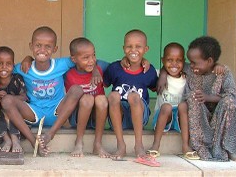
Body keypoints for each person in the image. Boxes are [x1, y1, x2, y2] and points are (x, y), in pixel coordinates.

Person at [1, 26, 91, 156]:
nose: (42, 50)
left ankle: (50, 134)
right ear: (31, 46)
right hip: (34, 112)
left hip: (58, 111)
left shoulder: (62, 64)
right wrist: (28, 58)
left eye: (48, 46)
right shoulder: (23, 67)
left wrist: (95, 72)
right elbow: (1, 69)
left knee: (77, 90)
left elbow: (86, 61)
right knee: (7, 101)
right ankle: (33, 142)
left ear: (55, 49)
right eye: (38, 45)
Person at [183, 36, 236, 161]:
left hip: (220, 117)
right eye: (190, 62)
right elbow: (172, 65)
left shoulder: (223, 72)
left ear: (209, 61)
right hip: (201, 118)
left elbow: (232, 96)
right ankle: (201, 147)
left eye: (194, 62)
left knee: (229, 102)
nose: (191, 65)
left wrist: (208, 97)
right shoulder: (190, 70)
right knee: (192, 98)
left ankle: (229, 149)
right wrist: (162, 75)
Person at [104, 29, 160, 167]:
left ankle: (138, 145)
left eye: (138, 46)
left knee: (134, 97)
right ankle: (120, 144)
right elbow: (103, 82)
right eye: (129, 46)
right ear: (123, 48)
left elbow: (155, 87)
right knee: (113, 95)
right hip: (119, 118)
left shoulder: (149, 70)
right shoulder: (114, 68)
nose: (133, 50)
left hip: (140, 116)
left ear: (146, 49)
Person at [147, 42, 193, 159]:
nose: (174, 64)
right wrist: (162, 74)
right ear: (163, 60)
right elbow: (145, 66)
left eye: (178, 60)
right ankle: (156, 144)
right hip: (163, 117)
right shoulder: (158, 74)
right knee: (167, 106)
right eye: (169, 60)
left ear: (184, 61)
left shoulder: (186, 77)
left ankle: (185, 145)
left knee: (183, 105)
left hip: (179, 118)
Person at [65, 37, 109, 158]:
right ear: (74, 59)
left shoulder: (100, 68)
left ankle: (98, 144)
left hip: (96, 117)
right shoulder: (68, 74)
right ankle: (79, 142)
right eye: (86, 57)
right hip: (77, 116)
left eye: (93, 55)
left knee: (101, 99)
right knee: (87, 98)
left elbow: (120, 66)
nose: (91, 60)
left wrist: (95, 69)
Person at [0, 46, 27, 153]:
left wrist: (9, 98)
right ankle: (7, 140)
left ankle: (15, 139)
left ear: (13, 65)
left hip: (14, 109)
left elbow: (24, 97)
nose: (4, 67)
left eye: (8, 64)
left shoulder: (17, 79)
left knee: (10, 110)